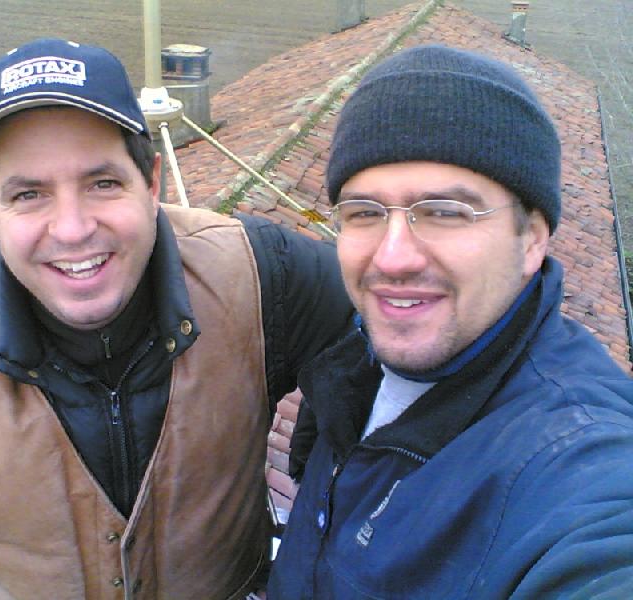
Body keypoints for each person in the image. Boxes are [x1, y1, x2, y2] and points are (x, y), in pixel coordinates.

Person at [0, 38, 354, 599]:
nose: (73, 229)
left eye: (102, 183)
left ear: (151, 182)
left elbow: (393, 338)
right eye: (28, 194)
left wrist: (324, 445)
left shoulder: (261, 272)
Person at [268, 45, 633, 598]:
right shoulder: (353, 362)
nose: (393, 258)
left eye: (444, 212)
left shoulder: (577, 461)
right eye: (364, 213)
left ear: (532, 239)